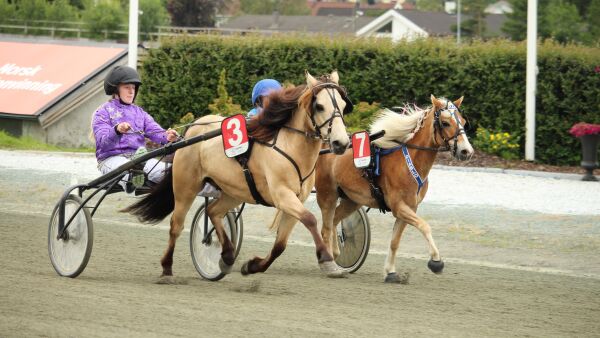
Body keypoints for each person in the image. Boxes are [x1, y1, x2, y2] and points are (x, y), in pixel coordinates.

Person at [91, 65, 178, 192]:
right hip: (111, 159)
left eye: (133, 88)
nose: (131, 91)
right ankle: (132, 178)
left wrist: (167, 137)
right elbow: (103, 142)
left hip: (139, 158)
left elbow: (155, 131)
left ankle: (137, 171)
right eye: (127, 87)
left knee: (170, 172)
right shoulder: (103, 112)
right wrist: (117, 130)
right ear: (116, 89)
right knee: (125, 171)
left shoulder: (140, 113)